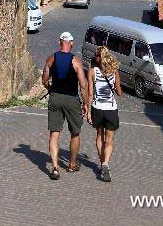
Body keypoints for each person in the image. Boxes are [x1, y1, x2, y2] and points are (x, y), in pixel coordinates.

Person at [42, 31, 88, 181]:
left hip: (55, 98)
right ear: (72, 44)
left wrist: (51, 90)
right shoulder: (76, 62)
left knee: (54, 133)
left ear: (59, 42)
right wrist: (86, 103)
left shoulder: (51, 59)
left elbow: (44, 80)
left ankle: (55, 168)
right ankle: (72, 164)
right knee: (75, 132)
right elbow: (83, 85)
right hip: (72, 99)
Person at [87, 46, 122, 182]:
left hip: (97, 108)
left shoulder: (92, 72)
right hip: (111, 109)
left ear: (98, 57)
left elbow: (90, 93)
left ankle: (102, 163)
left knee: (99, 136)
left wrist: (88, 111)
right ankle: (106, 164)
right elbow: (119, 92)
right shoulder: (114, 71)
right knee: (109, 140)